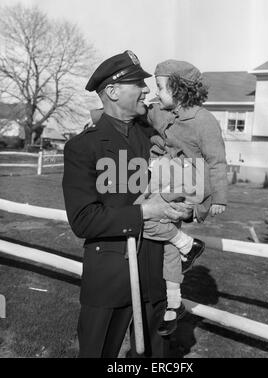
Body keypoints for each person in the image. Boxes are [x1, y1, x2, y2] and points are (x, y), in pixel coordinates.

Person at [62, 51, 193, 358]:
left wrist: (182, 206)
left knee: (155, 358)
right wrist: (145, 211)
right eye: (139, 84)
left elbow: (176, 181)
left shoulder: (153, 138)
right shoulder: (83, 147)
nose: (147, 91)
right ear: (113, 91)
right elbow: (83, 220)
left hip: (154, 272)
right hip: (109, 275)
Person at [140, 59, 228, 336]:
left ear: (179, 89)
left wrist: (219, 199)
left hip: (189, 182)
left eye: (162, 88)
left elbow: (217, 162)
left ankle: (188, 245)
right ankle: (174, 303)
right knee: (167, 245)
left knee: (143, 219)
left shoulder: (204, 121)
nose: (157, 94)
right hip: (167, 180)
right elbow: (137, 112)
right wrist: (95, 117)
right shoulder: (164, 112)